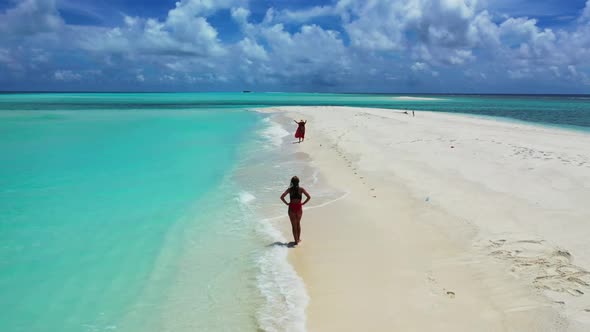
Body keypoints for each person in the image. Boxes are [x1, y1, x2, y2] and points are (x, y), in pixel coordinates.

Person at [280, 176, 311, 245]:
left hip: (291, 208)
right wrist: (303, 203)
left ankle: (296, 241)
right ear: (298, 182)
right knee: (298, 223)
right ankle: (298, 239)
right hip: (299, 207)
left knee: (294, 225)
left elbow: (282, 197)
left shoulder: (289, 190)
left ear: (291, 182)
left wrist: (287, 203)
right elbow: (309, 197)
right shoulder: (301, 189)